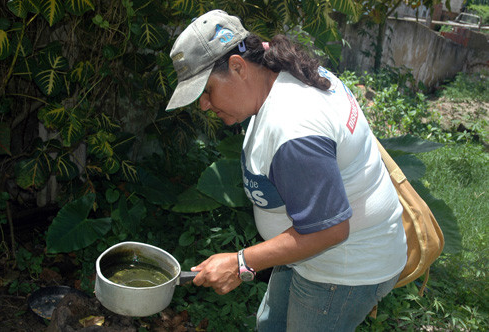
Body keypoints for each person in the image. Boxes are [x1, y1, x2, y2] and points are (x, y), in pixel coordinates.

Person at [166, 9, 407, 332]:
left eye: (206, 90)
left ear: (238, 68)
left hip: (341, 270)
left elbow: (330, 230)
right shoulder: (276, 68)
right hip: (304, 256)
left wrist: (240, 263)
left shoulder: (293, 128)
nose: (204, 105)